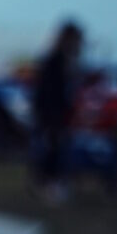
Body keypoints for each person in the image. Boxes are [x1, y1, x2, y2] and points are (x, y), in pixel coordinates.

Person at [32, 20, 84, 202]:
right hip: (51, 116)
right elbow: (48, 92)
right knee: (51, 149)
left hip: (58, 115)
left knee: (55, 149)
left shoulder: (64, 61)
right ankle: (48, 185)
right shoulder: (55, 61)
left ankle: (51, 184)